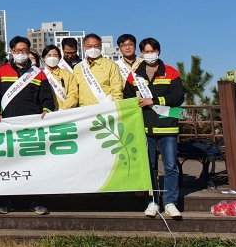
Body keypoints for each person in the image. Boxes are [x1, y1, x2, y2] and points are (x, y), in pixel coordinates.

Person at [0, 36, 53, 215]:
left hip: (31, 126)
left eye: (24, 51)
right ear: (11, 52)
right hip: (6, 124)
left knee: (34, 164)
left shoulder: (38, 73)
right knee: (7, 164)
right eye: (17, 51)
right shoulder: (0, 71)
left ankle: (35, 200)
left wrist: (46, 110)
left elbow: (46, 97)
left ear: (29, 52)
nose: (20, 54)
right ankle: (6, 200)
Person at [123, 38, 185, 218]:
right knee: (148, 167)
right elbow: (127, 97)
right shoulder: (135, 75)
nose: (149, 54)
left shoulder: (171, 72)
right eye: (146, 52)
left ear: (158, 51)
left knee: (171, 166)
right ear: (141, 54)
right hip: (144, 127)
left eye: (152, 51)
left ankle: (171, 202)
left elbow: (178, 97)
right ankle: (152, 202)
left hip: (167, 127)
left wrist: (155, 101)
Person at [72, 33, 123, 106]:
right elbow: (74, 92)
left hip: (105, 108)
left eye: (96, 46)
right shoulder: (77, 68)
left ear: (101, 47)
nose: (93, 49)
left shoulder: (111, 65)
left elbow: (117, 90)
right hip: (85, 110)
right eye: (89, 46)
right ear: (84, 47)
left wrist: (116, 108)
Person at [41, 45, 78, 109]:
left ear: (60, 58)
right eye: (49, 55)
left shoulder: (68, 74)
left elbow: (73, 94)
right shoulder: (39, 74)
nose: (52, 58)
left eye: (55, 55)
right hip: (44, 114)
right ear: (43, 58)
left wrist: (63, 109)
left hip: (64, 113)